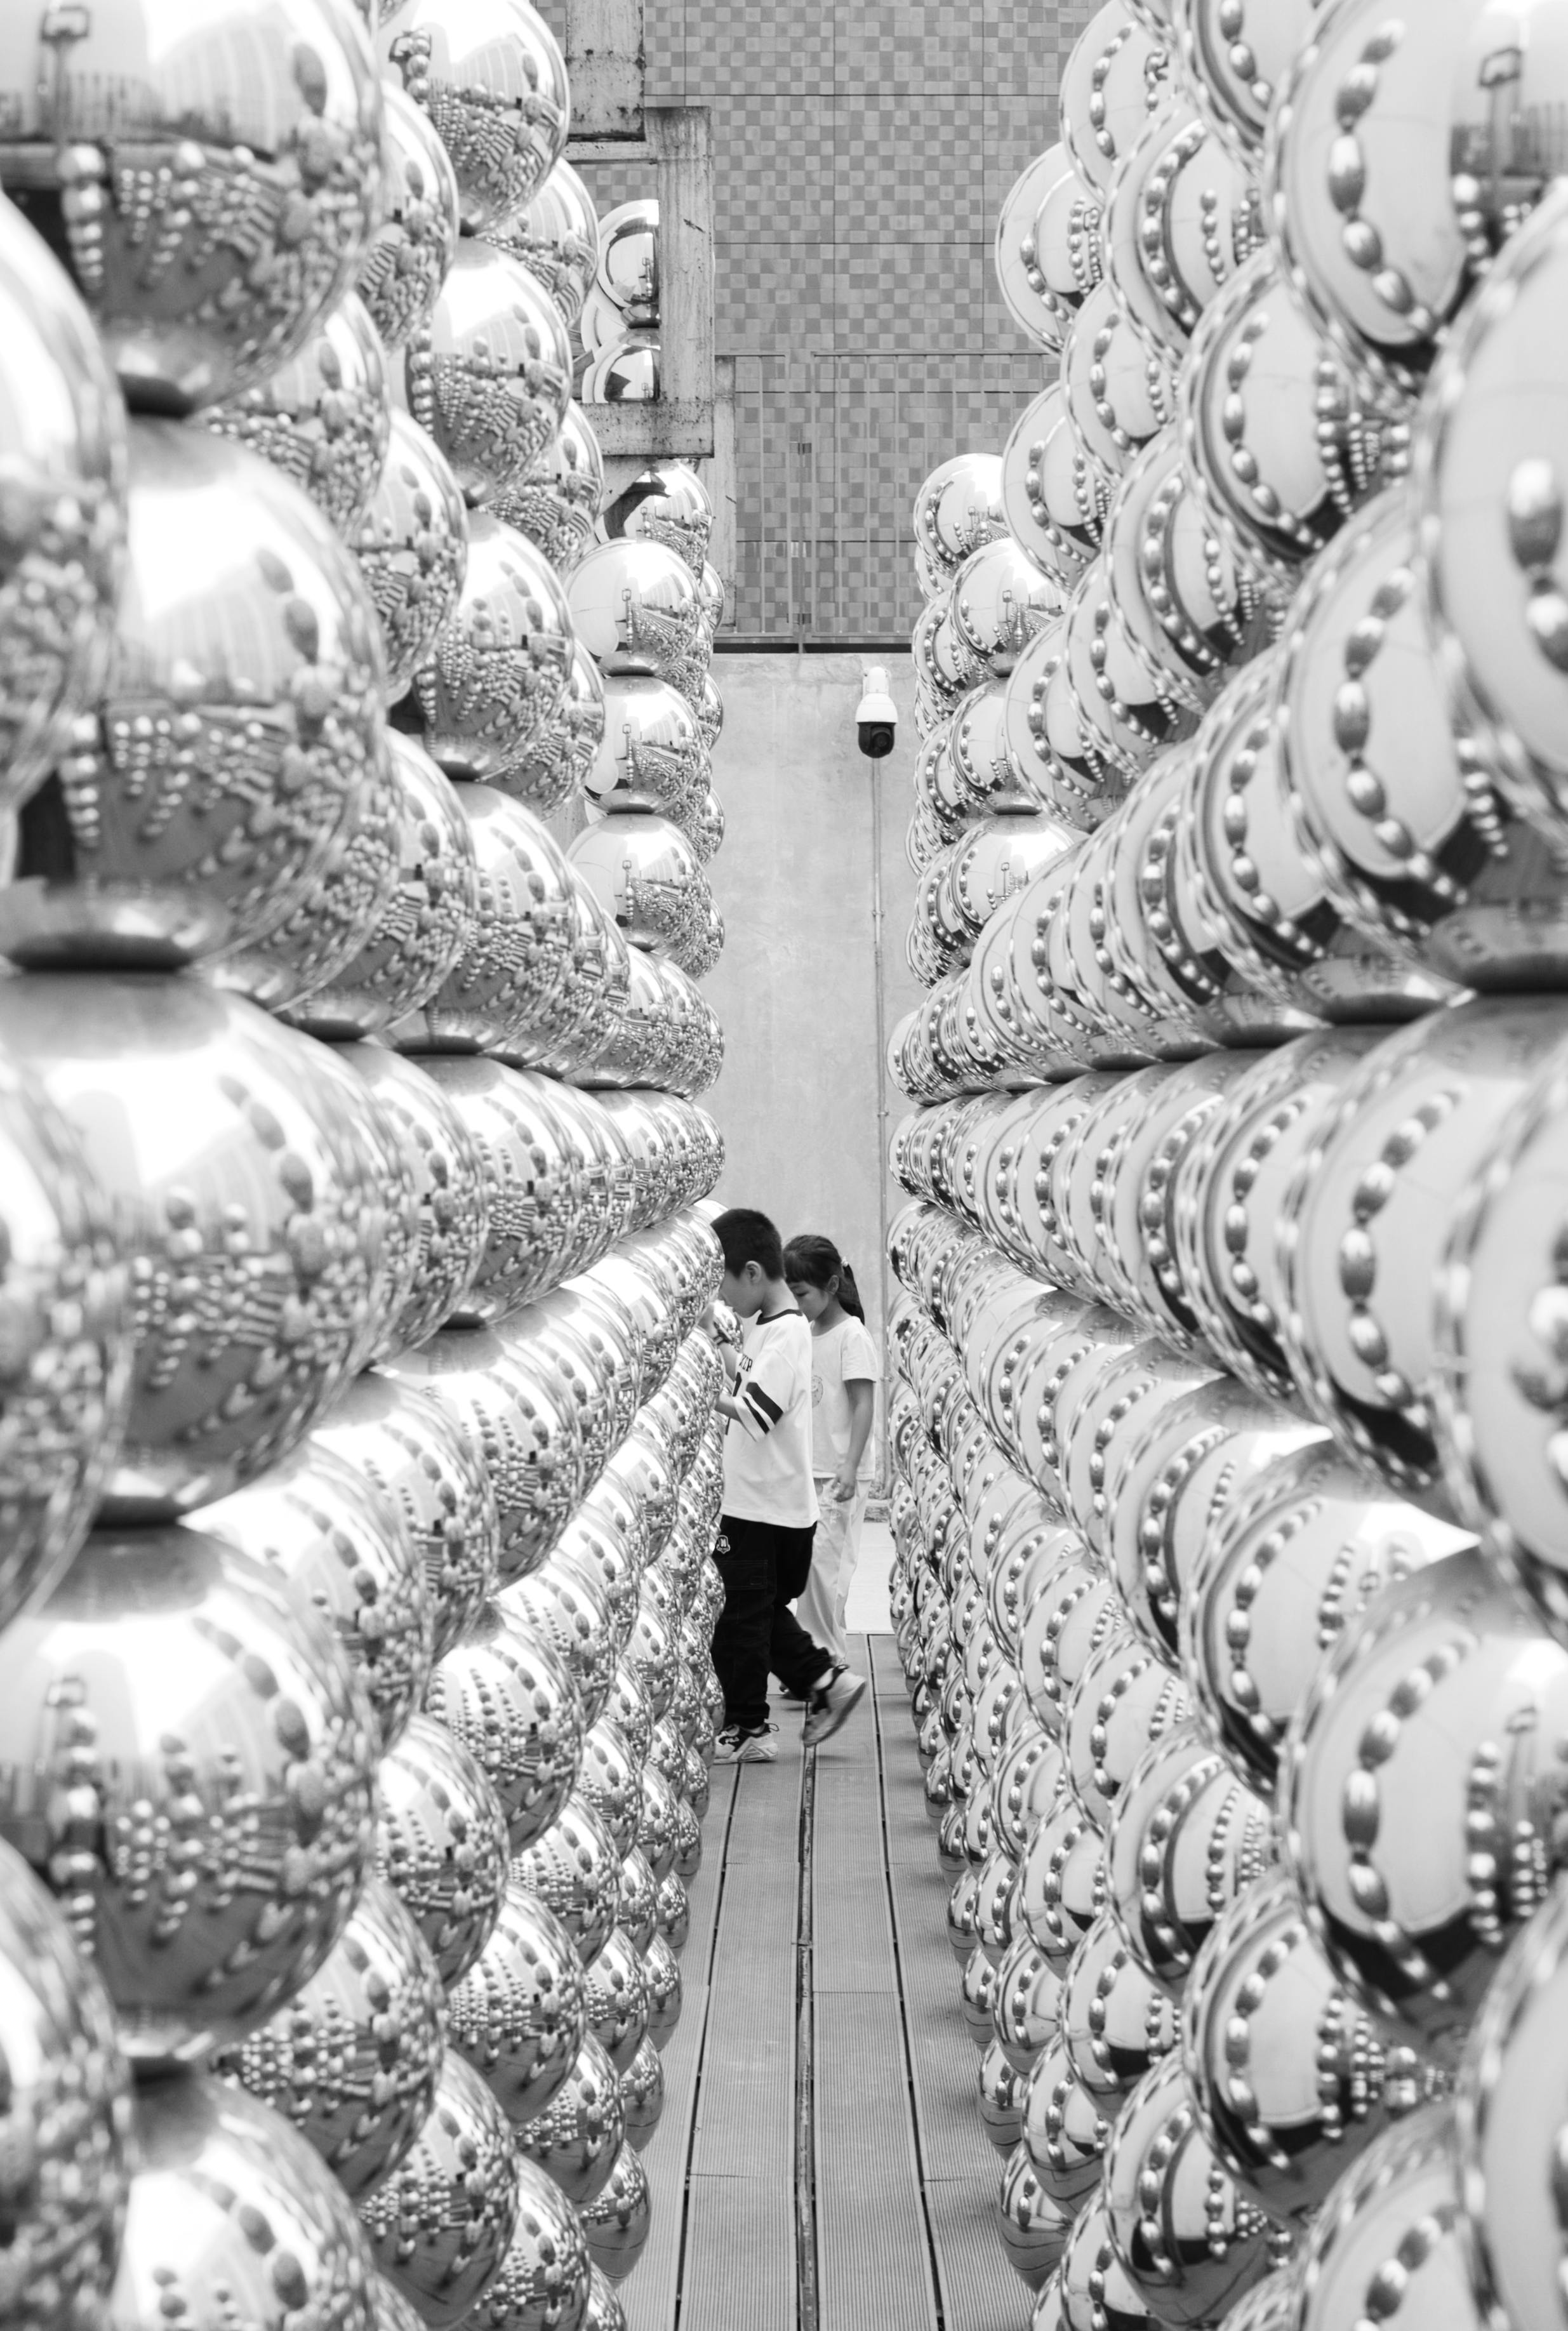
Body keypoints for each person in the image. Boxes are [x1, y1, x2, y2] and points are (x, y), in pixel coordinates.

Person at [708, 1205, 867, 1762]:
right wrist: (718, 1344)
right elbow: (749, 1379)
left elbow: (755, 1413)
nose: (724, 1299)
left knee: (742, 1620)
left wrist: (698, 1388)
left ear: (753, 1273)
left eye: (724, 1285)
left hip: (763, 1510)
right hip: (771, 1507)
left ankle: (753, 1726)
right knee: (753, 1613)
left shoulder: (788, 1335)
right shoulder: (772, 1330)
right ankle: (826, 1683)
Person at [783, 1233, 880, 1669]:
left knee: (827, 1569)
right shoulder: (807, 1334)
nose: (797, 1301)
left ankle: (825, 1661)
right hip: (812, 1471)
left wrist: (849, 1465)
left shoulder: (852, 1337)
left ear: (832, 1286)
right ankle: (816, 1658)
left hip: (842, 1472)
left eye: (802, 1293)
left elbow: (863, 1405)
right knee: (810, 1570)